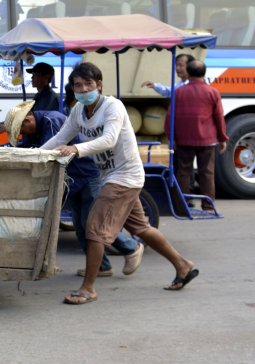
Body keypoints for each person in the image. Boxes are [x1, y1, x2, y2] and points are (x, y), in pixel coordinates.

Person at [42, 62, 199, 304]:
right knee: (141, 228)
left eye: (88, 84)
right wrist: (34, 155)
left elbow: (109, 139)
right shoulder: (78, 112)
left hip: (125, 176)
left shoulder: (112, 107)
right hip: (111, 176)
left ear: (99, 85)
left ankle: (88, 289)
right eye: (78, 86)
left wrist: (76, 149)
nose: (83, 89)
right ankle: (183, 265)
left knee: (94, 229)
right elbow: (61, 137)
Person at [5, 100, 142, 278]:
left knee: (91, 223)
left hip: (86, 175)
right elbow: (32, 149)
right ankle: (102, 266)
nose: (23, 134)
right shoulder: (35, 127)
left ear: (28, 121)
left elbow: (51, 150)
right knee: (79, 225)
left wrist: (32, 158)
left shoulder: (52, 121)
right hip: (72, 179)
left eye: (22, 130)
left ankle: (131, 247)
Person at [169, 59, 228, 212]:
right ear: (204, 73)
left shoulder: (179, 92)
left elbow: (170, 117)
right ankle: (208, 205)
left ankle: (183, 205)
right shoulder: (212, 92)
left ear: (188, 73)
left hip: (184, 140)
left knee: (183, 172)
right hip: (207, 141)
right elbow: (219, 117)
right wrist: (222, 139)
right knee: (207, 173)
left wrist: (171, 137)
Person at [0, 62, 59, 134]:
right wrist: (5, 123)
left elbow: (37, 122)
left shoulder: (50, 99)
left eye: (35, 75)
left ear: (46, 77)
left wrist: (9, 127)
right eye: (32, 75)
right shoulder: (39, 96)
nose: (32, 77)